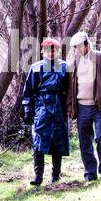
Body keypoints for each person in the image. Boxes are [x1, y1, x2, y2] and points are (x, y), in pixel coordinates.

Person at [67, 32, 101, 181]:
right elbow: (70, 87)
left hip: (100, 106)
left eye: (79, 46)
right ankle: (90, 174)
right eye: (75, 47)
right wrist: (69, 106)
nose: (77, 49)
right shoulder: (73, 63)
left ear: (87, 44)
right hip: (82, 108)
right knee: (85, 142)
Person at [22, 38, 70, 186]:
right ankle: (38, 176)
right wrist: (27, 110)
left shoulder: (65, 67)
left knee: (58, 141)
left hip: (59, 107)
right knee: (38, 142)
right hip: (41, 108)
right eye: (48, 50)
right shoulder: (35, 68)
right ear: (43, 51)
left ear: (58, 51)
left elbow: (71, 90)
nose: (51, 52)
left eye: (54, 49)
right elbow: (28, 91)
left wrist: (70, 107)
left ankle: (56, 175)